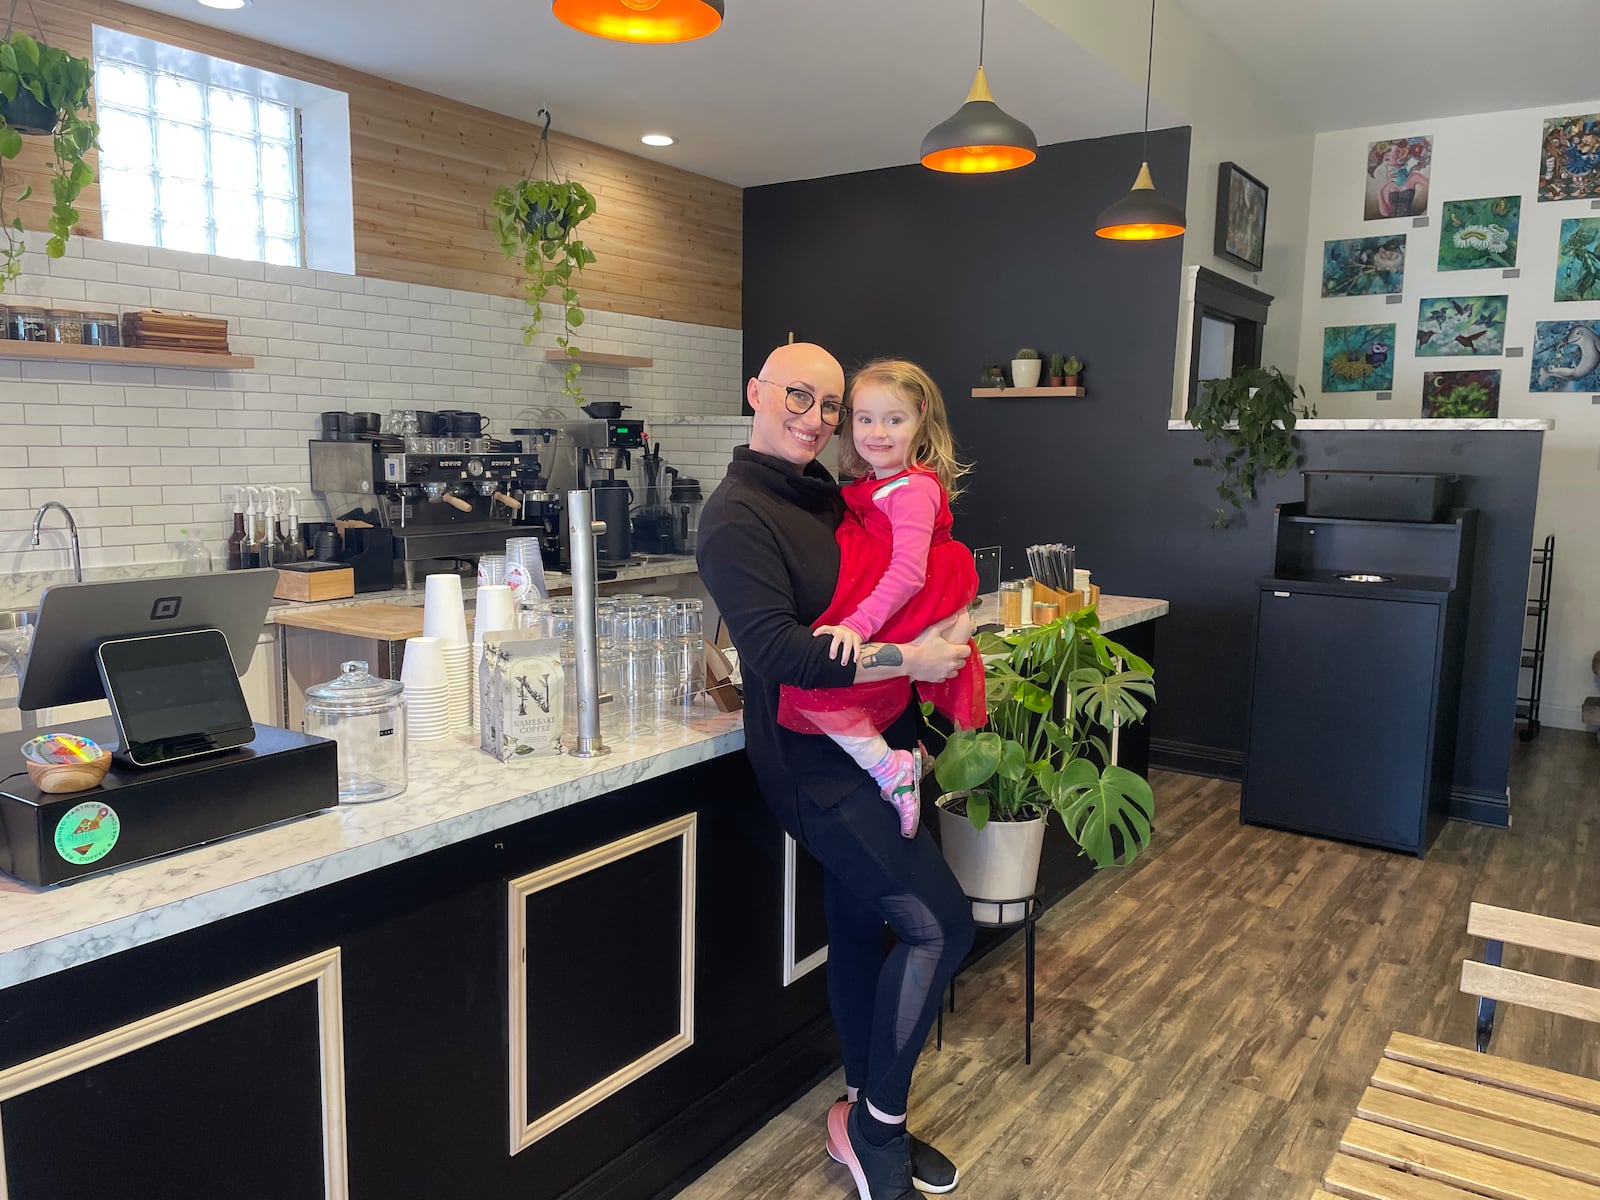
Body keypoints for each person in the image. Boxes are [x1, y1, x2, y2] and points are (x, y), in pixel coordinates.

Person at [696, 342, 977, 1200]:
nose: (813, 418)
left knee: (865, 930)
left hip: (882, 746)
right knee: (942, 927)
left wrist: (921, 714)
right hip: (813, 764)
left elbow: (911, 583)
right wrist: (910, 661)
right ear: (755, 392)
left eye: (828, 404)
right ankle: (878, 1130)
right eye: (798, 397)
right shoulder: (736, 514)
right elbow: (779, 654)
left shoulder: (827, 494)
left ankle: (860, 1107)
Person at [775, 359, 985, 839]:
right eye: (865, 418)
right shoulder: (883, 483)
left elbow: (909, 573)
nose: (878, 432)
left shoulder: (911, 489)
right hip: (898, 600)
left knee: (815, 686)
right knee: (837, 687)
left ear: (921, 422)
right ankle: (897, 764)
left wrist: (856, 625)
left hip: (904, 598)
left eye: (895, 420)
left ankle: (890, 768)